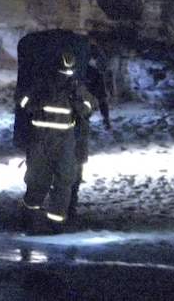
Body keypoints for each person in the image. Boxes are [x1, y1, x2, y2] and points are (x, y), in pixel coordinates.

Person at [15, 50, 95, 234]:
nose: (63, 78)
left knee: (63, 179)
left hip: (60, 139)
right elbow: (24, 102)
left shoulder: (74, 87)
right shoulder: (42, 85)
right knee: (39, 181)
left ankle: (54, 221)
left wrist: (78, 101)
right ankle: (33, 219)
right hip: (43, 139)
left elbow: (89, 106)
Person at [67, 49, 112, 224]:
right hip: (79, 125)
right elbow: (101, 99)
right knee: (76, 166)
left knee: (65, 166)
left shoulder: (55, 73)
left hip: (61, 129)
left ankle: (65, 205)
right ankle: (70, 206)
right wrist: (106, 119)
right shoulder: (92, 74)